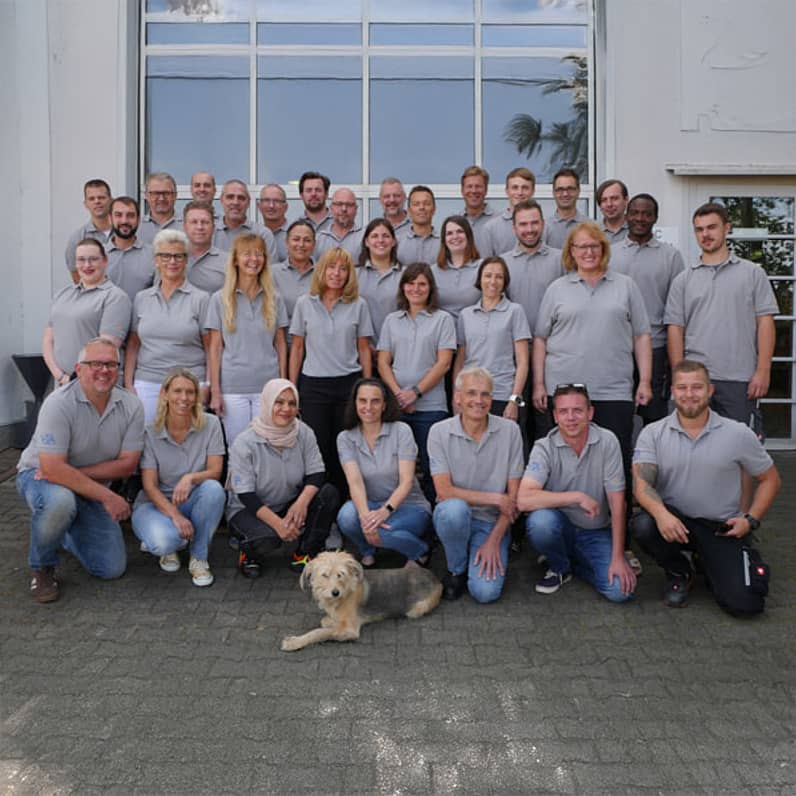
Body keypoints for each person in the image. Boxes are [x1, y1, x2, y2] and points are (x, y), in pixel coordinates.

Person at [631, 360, 781, 614]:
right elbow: (641, 484)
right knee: (643, 524)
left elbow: (771, 479)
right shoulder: (653, 433)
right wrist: (661, 514)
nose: (689, 394)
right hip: (675, 523)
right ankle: (680, 571)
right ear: (673, 392)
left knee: (746, 605)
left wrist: (750, 519)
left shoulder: (737, 433)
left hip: (721, 529)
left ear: (710, 390)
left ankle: (710, 560)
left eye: (697, 387)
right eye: (682, 387)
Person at [17, 338, 144, 603]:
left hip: (82, 482)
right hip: (38, 477)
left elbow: (127, 464)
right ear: (79, 367)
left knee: (111, 568)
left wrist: (71, 474)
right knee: (60, 501)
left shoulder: (131, 406)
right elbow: (49, 469)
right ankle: (42, 567)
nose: (104, 370)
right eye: (95, 363)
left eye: (111, 364)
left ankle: (61, 531)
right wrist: (107, 496)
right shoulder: (58, 403)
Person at [533, 222, 652, 483]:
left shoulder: (626, 286)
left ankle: (617, 523)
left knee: (616, 463)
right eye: (582, 246)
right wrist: (539, 385)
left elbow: (641, 335)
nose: (588, 252)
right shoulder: (557, 289)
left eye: (594, 246)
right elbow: (540, 339)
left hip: (613, 390)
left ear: (603, 249)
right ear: (571, 252)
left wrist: (644, 381)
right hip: (564, 392)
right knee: (562, 467)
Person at [665, 202, 778, 431]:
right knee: (692, 448)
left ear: (727, 228)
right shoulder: (683, 280)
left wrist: (763, 370)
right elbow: (675, 329)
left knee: (741, 451)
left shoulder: (753, 273)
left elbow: (765, 322)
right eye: (699, 229)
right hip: (695, 382)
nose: (705, 234)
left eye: (711, 227)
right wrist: (680, 375)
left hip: (740, 379)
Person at [519, 384, 637, 601]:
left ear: (590, 413)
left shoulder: (607, 441)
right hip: (559, 527)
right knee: (541, 522)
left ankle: (570, 563)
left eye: (578, 410)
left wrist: (618, 556)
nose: (571, 418)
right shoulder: (543, 447)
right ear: (555, 416)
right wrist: (577, 497)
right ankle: (560, 565)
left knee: (621, 591)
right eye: (563, 411)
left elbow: (618, 502)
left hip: (595, 531)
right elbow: (523, 499)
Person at [428, 367, 524, 603]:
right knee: (453, 510)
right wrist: (495, 498)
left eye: (485, 394)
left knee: (485, 593)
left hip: (492, 522)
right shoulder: (439, 432)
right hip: (456, 515)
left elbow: (514, 498)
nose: (478, 401)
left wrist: (494, 540)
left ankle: (486, 547)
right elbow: (444, 491)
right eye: (471, 393)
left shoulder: (510, 431)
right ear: (458, 397)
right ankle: (456, 569)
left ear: (492, 398)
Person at [227, 378, 340, 576]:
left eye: (292, 403)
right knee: (268, 539)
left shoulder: (303, 432)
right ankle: (249, 555)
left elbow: (316, 473)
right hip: (249, 510)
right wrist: (279, 525)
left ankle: (305, 553)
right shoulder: (244, 442)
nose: (286, 409)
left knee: (328, 494)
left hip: (289, 503)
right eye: (279, 402)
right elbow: (246, 495)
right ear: (267, 403)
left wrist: (301, 504)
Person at [289, 248, 373, 495]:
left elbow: (364, 348)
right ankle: (321, 509)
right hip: (313, 386)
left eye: (343, 268)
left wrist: (367, 385)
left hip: (348, 385)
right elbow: (296, 348)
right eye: (331, 267)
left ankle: (348, 506)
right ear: (321, 271)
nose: (337, 273)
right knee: (319, 450)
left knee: (346, 450)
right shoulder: (305, 303)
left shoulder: (359, 305)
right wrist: (292, 388)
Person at [132, 368, 226, 587]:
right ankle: (170, 544)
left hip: (193, 500)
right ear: (165, 394)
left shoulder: (211, 424)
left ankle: (198, 557)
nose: (184, 398)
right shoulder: (150, 432)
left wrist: (190, 478)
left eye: (190, 392)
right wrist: (175, 516)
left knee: (214, 489)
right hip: (155, 505)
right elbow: (149, 485)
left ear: (197, 396)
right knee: (165, 542)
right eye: (177, 391)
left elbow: (215, 471)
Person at [377, 262, 456, 503]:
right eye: (411, 283)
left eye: (422, 284)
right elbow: (382, 363)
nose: (416, 289)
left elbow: (444, 363)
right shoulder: (392, 320)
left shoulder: (443, 319)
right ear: (403, 287)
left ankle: (437, 522)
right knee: (395, 467)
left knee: (434, 467)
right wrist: (399, 394)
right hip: (396, 407)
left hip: (431, 408)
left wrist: (415, 393)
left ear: (430, 288)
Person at [336, 379, 432, 568]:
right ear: (355, 403)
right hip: (371, 506)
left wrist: (384, 512)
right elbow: (354, 482)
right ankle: (368, 550)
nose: (368, 407)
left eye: (375, 401)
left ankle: (420, 551)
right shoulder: (345, 438)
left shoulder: (401, 431)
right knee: (346, 517)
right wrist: (366, 517)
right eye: (363, 401)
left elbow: (406, 482)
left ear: (384, 405)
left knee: (381, 532)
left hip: (409, 506)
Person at [206, 233, 288, 445]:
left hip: (267, 386)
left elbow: (280, 345)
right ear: (235, 259)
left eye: (259, 254)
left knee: (268, 446)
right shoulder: (219, 299)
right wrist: (215, 391)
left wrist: (283, 385)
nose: (254, 259)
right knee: (238, 448)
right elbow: (215, 348)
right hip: (233, 389)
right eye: (247, 254)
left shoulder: (274, 298)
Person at [611, 193, 685, 424]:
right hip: (616, 348)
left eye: (646, 214)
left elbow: (677, 309)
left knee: (654, 417)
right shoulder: (610, 254)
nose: (640, 218)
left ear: (655, 218)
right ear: (626, 216)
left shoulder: (671, 256)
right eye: (634, 213)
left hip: (656, 348)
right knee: (617, 415)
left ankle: (651, 460)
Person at [124, 230, 211, 423]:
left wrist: (208, 384)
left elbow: (210, 346)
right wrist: (129, 384)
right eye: (165, 256)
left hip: (190, 383)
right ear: (156, 260)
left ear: (186, 260)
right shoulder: (142, 298)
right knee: (147, 439)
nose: (172, 261)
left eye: (178, 256)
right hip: (148, 382)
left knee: (187, 440)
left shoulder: (201, 299)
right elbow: (133, 344)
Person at [43, 238, 131, 387]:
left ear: (105, 260)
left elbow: (106, 349)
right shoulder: (62, 295)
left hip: (96, 385)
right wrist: (60, 377)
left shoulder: (115, 297)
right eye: (81, 260)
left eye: (93, 259)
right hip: (62, 384)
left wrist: (75, 379)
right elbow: (48, 341)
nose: (87, 265)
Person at [454, 256, 530, 422]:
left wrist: (514, 399)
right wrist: (457, 395)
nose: (493, 281)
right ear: (480, 279)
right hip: (471, 396)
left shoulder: (515, 311)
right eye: (488, 275)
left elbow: (523, 361)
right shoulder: (466, 315)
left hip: (502, 394)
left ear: (505, 281)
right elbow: (460, 360)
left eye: (499, 277)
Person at [356, 217, 401, 339]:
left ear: (393, 241)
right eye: (374, 236)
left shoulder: (405, 275)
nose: (380, 240)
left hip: (398, 348)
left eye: (386, 236)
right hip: (362, 349)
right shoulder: (354, 275)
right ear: (366, 242)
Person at [431, 215, 482, 322]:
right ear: (444, 240)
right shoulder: (433, 272)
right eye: (449, 233)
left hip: (474, 333)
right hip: (442, 335)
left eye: (460, 231)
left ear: (469, 236)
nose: (455, 236)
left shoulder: (483, 268)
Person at [105, 197, 155, 303]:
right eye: (118, 215)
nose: (124, 220)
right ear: (110, 219)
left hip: (143, 319)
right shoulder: (98, 254)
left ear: (138, 220)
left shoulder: (153, 254)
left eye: (130, 216)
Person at [213, 179, 276, 259]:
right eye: (230, 197)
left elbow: (270, 270)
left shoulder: (263, 235)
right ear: (222, 200)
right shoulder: (209, 233)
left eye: (241, 198)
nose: (235, 202)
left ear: (248, 202)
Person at [65, 179, 113, 281]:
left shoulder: (125, 233)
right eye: (91, 199)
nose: (97, 201)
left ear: (111, 200)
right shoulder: (77, 239)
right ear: (86, 204)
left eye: (101, 197)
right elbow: (77, 279)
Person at [482, 167, 536, 257]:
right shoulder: (491, 229)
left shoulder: (543, 227)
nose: (520, 192)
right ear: (507, 191)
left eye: (525, 188)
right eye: (515, 187)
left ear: (533, 191)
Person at [271, 220, 317, 321]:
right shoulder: (272, 273)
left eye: (307, 240)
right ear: (286, 242)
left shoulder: (324, 274)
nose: (301, 244)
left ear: (314, 244)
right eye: (296, 239)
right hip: (282, 334)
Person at [184, 200, 228, 294]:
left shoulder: (228, 261)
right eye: (194, 222)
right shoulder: (172, 258)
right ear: (185, 227)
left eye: (205, 222)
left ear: (213, 227)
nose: (199, 227)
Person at [544, 168, 589, 249]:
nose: (565, 194)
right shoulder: (543, 228)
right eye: (560, 189)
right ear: (553, 193)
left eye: (570, 189)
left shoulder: (591, 226)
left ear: (578, 191)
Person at [396, 186, 440, 266]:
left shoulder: (444, 242)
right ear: (409, 210)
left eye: (426, 204)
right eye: (416, 204)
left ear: (434, 209)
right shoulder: (397, 243)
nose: (421, 207)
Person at [315, 188, 363, 260]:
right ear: (331, 208)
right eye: (339, 204)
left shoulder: (365, 238)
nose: (344, 209)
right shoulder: (318, 239)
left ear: (356, 209)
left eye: (349, 205)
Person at [460, 165, 496, 255]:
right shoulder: (455, 222)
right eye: (469, 186)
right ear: (462, 190)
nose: (474, 190)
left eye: (478, 186)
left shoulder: (498, 220)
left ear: (486, 190)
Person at [138, 172, 181, 245]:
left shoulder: (188, 226)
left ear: (175, 195)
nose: (161, 198)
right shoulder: (137, 228)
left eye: (166, 193)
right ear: (146, 196)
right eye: (156, 193)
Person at [258, 183, 289, 262]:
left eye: (277, 201)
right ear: (259, 206)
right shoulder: (254, 235)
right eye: (266, 200)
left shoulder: (295, 236)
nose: (271, 205)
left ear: (285, 207)